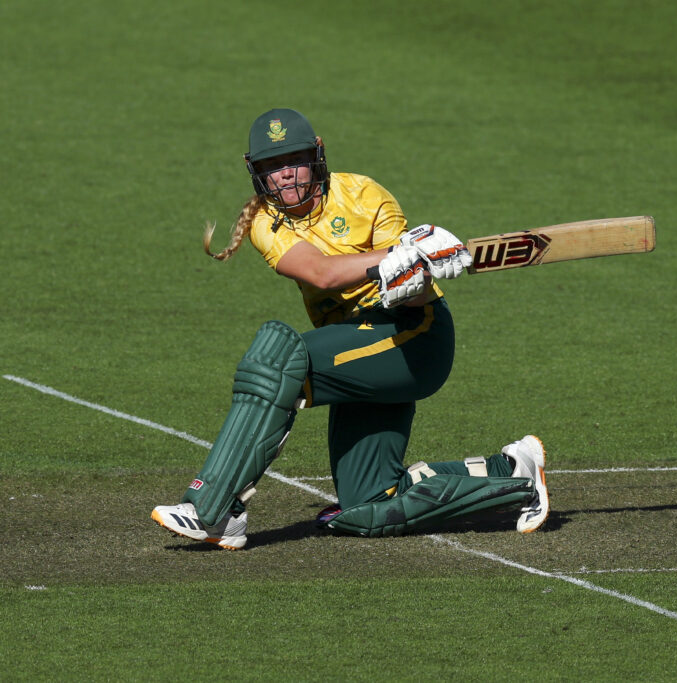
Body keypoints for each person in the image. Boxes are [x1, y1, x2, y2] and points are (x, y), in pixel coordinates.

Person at [151, 108, 549, 549]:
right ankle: (514, 474)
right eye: (271, 168)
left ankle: (215, 510)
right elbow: (319, 273)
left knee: (278, 355)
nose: (284, 176)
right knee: (366, 507)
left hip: (413, 337)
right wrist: (393, 259)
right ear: (255, 172)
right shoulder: (267, 221)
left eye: (293, 161)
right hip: (357, 351)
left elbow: (412, 296)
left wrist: (418, 266)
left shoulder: (365, 195)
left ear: (317, 155)